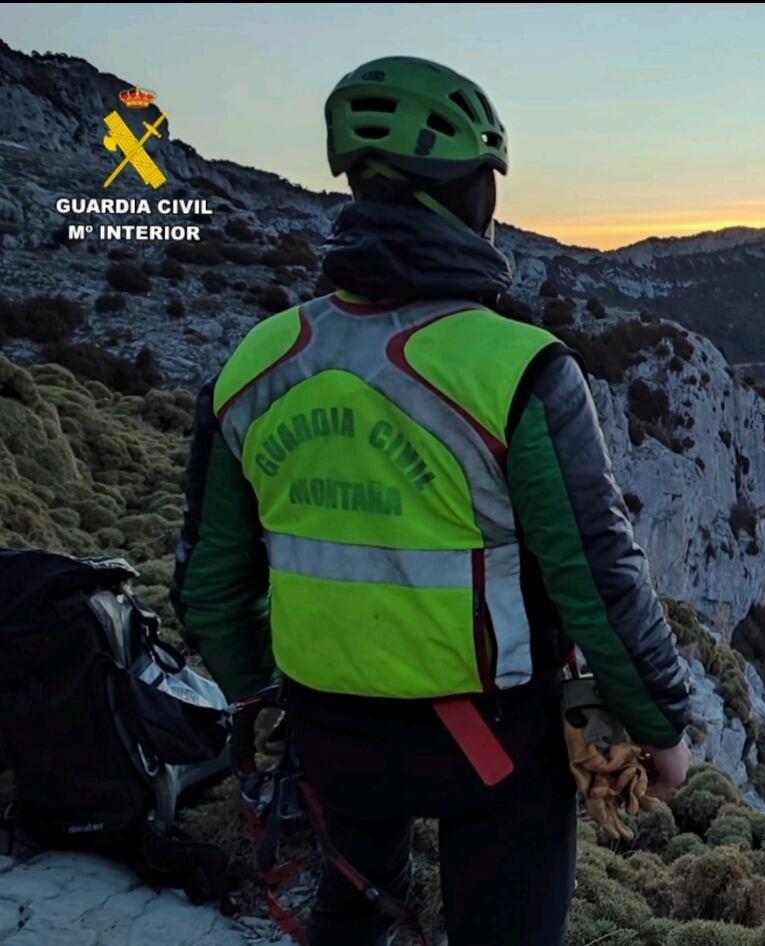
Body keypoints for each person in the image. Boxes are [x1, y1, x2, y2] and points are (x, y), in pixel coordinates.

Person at [170, 55, 691, 946]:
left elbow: (210, 577)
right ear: (473, 195)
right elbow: (596, 574)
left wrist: (257, 692)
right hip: (493, 744)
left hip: (327, 728)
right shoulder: (517, 368)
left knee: (351, 913)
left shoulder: (256, 362)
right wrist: (659, 724)